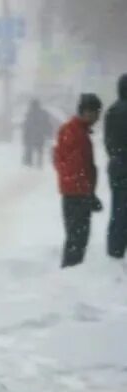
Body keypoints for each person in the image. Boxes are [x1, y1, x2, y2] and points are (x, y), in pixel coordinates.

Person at [53, 94, 105, 268]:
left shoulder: (74, 130)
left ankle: (71, 272)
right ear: (87, 111)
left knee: (76, 238)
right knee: (77, 240)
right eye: (96, 112)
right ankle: (70, 274)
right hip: (76, 194)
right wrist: (87, 194)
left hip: (74, 192)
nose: (98, 117)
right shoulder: (75, 133)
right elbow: (76, 167)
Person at [105, 74, 127, 259]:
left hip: (117, 166)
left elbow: (108, 142)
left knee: (118, 210)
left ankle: (115, 250)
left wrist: (116, 156)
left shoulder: (112, 111)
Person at [22, 100, 54, 168]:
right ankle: (39, 164)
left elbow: (26, 125)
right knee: (40, 150)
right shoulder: (43, 113)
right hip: (40, 136)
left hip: (31, 136)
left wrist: (25, 136)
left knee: (29, 150)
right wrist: (49, 134)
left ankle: (29, 164)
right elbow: (47, 124)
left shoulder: (30, 113)